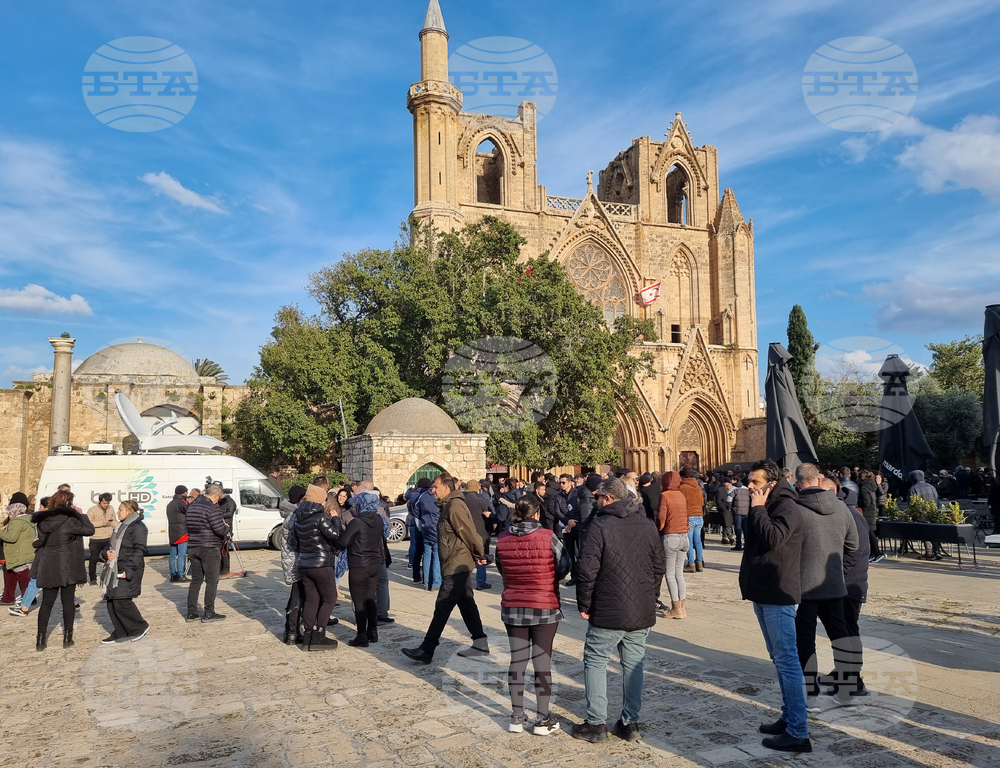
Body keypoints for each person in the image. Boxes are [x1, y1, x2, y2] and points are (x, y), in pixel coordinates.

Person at [572, 477, 664, 744]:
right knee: (634, 664)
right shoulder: (647, 524)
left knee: (596, 661)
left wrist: (584, 603)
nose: (597, 501)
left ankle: (596, 723)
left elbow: (586, 569)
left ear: (608, 498)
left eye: (599, 497)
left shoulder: (600, 525)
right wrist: (651, 595)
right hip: (640, 608)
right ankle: (630, 722)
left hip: (609, 609)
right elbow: (659, 566)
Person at [740, 459, 811, 753]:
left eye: (755, 482)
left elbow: (774, 538)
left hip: (778, 593)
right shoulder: (772, 503)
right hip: (764, 590)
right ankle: (789, 716)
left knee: (787, 660)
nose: (749, 486)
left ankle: (798, 732)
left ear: (771, 483)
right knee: (779, 659)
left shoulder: (786, 506)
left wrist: (757, 508)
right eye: (750, 481)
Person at [495, 494, 571, 735]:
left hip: (514, 606)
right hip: (544, 605)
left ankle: (516, 716)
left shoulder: (503, 539)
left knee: (517, 661)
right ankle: (542, 717)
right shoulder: (549, 538)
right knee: (542, 662)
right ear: (537, 513)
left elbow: (501, 568)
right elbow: (565, 567)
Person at [402, 474, 489, 664]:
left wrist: (480, 554)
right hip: (455, 561)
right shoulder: (447, 505)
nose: (433, 490)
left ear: (446, 489)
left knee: (443, 604)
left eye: (436, 486)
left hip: (457, 563)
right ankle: (480, 642)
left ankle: (427, 648)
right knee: (466, 602)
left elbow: (468, 532)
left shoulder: (455, 506)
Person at [792, 463, 858, 707]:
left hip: (803, 585)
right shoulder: (841, 507)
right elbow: (854, 545)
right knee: (840, 637)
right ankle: (848, 689)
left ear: (798, 483)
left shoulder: (794, 509)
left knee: (805, 641)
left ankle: (809, 692)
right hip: (834, 583)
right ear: (819, 481)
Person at [820, 477, 870, 698]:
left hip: (849, 583)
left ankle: (853, 680)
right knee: (840, 632)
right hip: (842, 582)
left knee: (848, 632)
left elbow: (854, 554)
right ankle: (842, 671)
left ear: (832, 491)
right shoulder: (842, 511)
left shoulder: (850, 514)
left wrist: (835, 573)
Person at [31, 489, 95, 650]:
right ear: (67, 503)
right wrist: (81, 514)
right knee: (67, 601)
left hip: (48, 564)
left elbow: (41, 540)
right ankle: (67, 638)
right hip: (67, 565)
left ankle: (40, 640)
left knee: (46, 603)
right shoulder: (70, 520)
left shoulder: (42, 520)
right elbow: (89, 530)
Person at [289, 483, 341, 651]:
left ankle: (308, 636)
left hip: (304, 563)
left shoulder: (297, 517)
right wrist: (336, 519)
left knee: (312, 599)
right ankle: (319, 636)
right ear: (319, 500)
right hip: (321, 563)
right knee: (330, 597)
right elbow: (334, 534)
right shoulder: (319, 517)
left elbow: (294, 542)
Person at [338, 485, 387, 647]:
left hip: (359, 564)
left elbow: (343, 542)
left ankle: (361, 635)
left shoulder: (357, 522)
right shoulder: (379, 520)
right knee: (370, 598)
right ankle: (373, 632)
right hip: (375, 564)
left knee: (359, 601)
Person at [99, 500, 149, 643]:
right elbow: (109, 545)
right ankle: (120, 631)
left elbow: (140, 550)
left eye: (120, 509)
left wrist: (130, 569)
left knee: (122, 600)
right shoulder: (120, 526)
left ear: (129, 511)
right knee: (111, 600)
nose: (117, 512)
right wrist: (105, 553)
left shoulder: (138, 527)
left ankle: (140, 626)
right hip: (114, 567)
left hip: (129, 567)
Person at [185, 484, 229, 624]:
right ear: (216, 495)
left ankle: (192, 612)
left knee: (196, 581)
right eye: (219, 498)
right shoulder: (212, 508)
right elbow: (218, 529)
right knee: (212, 580)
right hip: (209, 547)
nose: (218, 501)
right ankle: (209, 612)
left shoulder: (192, 506)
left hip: (193, 546)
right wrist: (226, 529)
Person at [657, 471, 689, 619]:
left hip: (671, 537)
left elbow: (661, 518)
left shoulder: (665, 495)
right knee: (679, 574)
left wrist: (659, 528)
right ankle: (682, 606)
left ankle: (675, 608)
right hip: (684, 536)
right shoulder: (681, 495)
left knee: (670, 574)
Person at [279, 485, 307, 644]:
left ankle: (291, 631)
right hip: (296, 561)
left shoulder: (291, 515)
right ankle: (292, 632)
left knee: (297, 596)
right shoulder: (293, 517)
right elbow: (296, 541)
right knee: (297, 597)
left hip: (293, 560)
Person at [1, 494, 35, 605]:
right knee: (11, 575)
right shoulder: (29, 519)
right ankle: (8, 597)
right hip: (23, 553)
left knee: (24, 579)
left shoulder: (16, 522)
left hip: (18, 554)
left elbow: (11, 537)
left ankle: (27, 601)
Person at [464, 480, 493, 590]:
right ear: (477, 488)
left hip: (466, 533)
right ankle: (481, 582)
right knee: (482, 558)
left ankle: (465, 582)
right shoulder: (482, 501)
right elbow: (487, 518)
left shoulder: (462, 501)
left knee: (467, 557)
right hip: (481, 533)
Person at [417, 477, 442, 591]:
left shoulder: (422, 497)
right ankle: (436, 583)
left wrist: (421, 526)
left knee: (427, 556)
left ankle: (427, 582)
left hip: (426, 529)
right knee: (436, 556)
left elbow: (416, 511)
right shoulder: (439, 499)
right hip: (436, 531)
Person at [678, 467, 705, 572]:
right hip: (699, 515)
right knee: (697, 541)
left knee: (688, 541)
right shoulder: (698, 487)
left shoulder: (682, 487)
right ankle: (699, 562)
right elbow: (702, 502)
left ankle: (691, 564)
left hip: (689, 515)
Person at [86, 493, 116, 585]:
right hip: (96, 538)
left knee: (109, 558)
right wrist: (101, 523)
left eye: (108, 503)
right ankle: (92, 578)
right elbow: (88, 523)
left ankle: (108, 576)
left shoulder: (111, 508)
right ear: (99, 501)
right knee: (93, 559)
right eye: (104, 503)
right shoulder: (92, 510)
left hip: (108, 537)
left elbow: (114, 520)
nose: (106, 505)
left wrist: (117, 527)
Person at [406, 480, 430, 584]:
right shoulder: (426, 495)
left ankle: (415, 575)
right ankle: (426, 577)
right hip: (423, 523)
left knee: (415, 548)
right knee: (426, 551)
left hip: (412, 521)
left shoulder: (412, 493)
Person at [858, 471, 883, 562]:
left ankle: (877, 553)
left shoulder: (864, 487)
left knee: (870, 533)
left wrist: (859, 503)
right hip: (872, 510)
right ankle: (873, 553)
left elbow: (866, 502)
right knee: (870, 532)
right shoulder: (872, 486)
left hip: (867, 512)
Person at [166, 485, 190, 582]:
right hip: (182, 531)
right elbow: (189, 511)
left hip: (172, 531)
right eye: (186, 492)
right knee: (182, 554)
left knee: (172, 555)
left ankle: (173, 575)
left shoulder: (170, 503)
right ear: (183, 492)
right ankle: (181, 574)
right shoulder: (182, 502)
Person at [216, 487, 238, 576]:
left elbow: (229, 514)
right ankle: (220, 568)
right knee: (219, 549)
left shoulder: (230, 502)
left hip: (227, 527)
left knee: (224, 550)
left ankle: (225, 568)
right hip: (220, 526)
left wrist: (217, 514)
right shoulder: (220, 501)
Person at [731, 481, 750, 551]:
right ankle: (746, 544)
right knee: (745, 529)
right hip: (746, 511)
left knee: (738, 528)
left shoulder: (733, 489)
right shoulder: (747, 489)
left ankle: (738, 544)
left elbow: (729, 499)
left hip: (737, 511)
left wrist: (729, 508)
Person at [714, 478, 734, 546]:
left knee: (728, 524)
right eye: (730, 484)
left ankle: (725, 537)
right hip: (724, 510)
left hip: (730, 509)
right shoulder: (720, 491)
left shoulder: (730, 491)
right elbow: (718, 502)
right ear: (726, 484)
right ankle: (730, 537)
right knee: (727, 524)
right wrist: (724, 508)